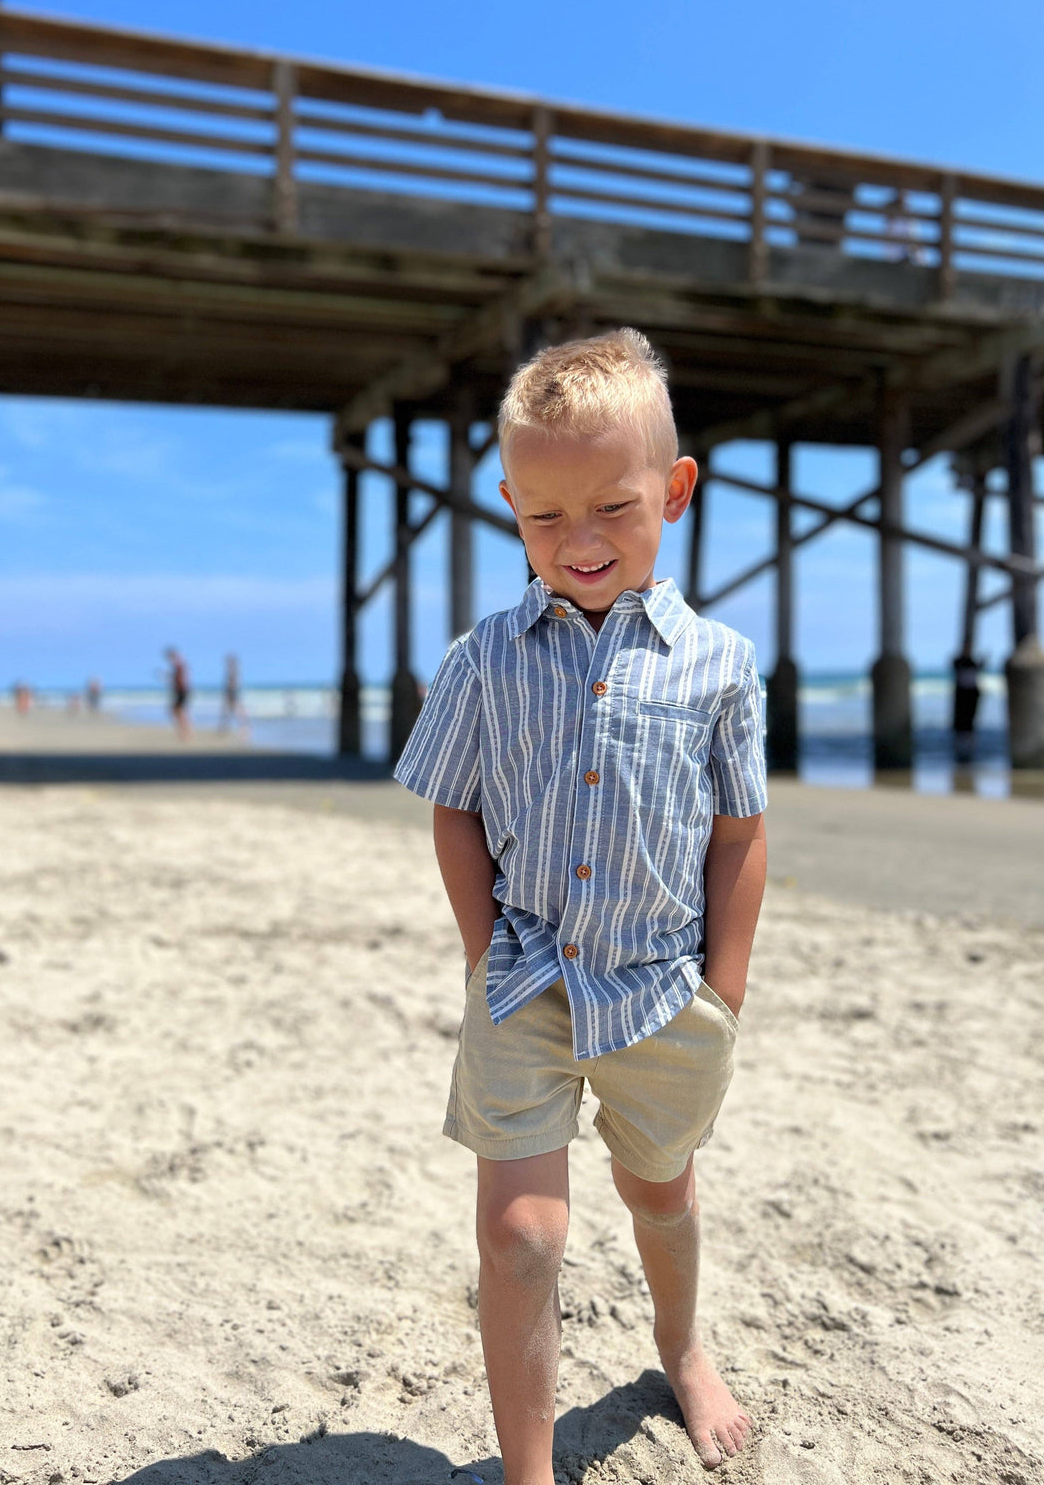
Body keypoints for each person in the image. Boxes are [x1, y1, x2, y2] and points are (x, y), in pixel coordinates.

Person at [394, 329, 768, 1477]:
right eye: (545, 517)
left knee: (660, 1187)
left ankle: (681, 1343)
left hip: (664, 986)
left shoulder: (721, 666)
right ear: (509, 505)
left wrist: (727, 986)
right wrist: (480, 949)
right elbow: (450, 804)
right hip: (526, 977)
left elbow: (740, 826)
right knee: (520, 1235)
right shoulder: (484, 660)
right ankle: (527, 1471)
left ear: (675, 490)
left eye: (612, 507)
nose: (581, 542)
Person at [164, 647, 191, 740]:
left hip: (181, 691)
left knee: (179, 712)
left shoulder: (179, 665)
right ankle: (184, 732)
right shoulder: (179, 665)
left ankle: (185, 732)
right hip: (181, 691)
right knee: (177, 711)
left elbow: (179, 680)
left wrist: (170, 678)